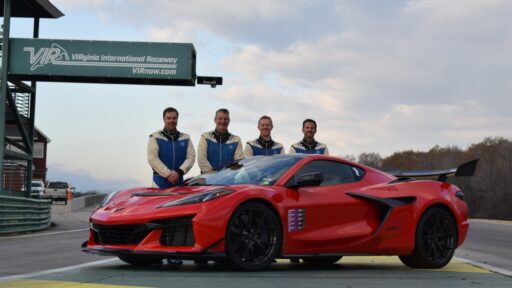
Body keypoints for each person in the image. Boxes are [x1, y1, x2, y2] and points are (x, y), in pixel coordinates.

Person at [147, 107, 196, 189]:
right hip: (159, 183)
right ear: (164, 119)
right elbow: (152, 159)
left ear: (177, 119)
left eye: (174, 118)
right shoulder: (155, 137)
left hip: (179, 182)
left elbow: (191, 157)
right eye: (168, 118)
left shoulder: (186, 138)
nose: (171, 121)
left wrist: (179, 172)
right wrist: (168, 174)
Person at [197, 108, 244, 173]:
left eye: (225, 119)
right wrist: (213, 174)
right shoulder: (205, 137)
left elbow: (238, 161)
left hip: (228, 179)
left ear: (229, 121)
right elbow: (201, 159)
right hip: (208, 179)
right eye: (220, 118)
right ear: (215, 120)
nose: (223, 121)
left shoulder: (236, 140)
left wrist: (226, 176)